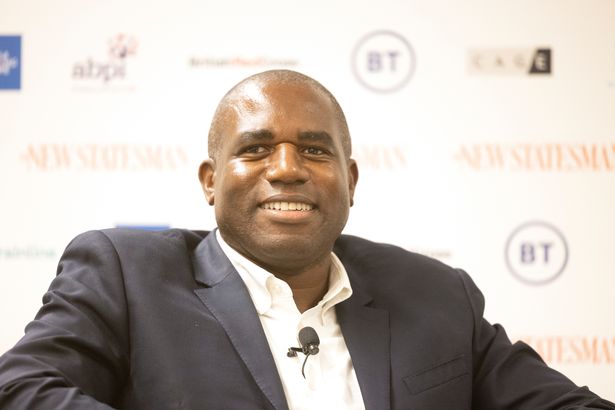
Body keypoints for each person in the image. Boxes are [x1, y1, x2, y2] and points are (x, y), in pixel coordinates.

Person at [0, 69, 613, 410]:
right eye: (256, 149)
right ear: (210, 182)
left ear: (350, 181)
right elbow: (21, 389)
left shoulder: (434, 293)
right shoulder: (126, 273)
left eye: (315, 151)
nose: (288, 169)